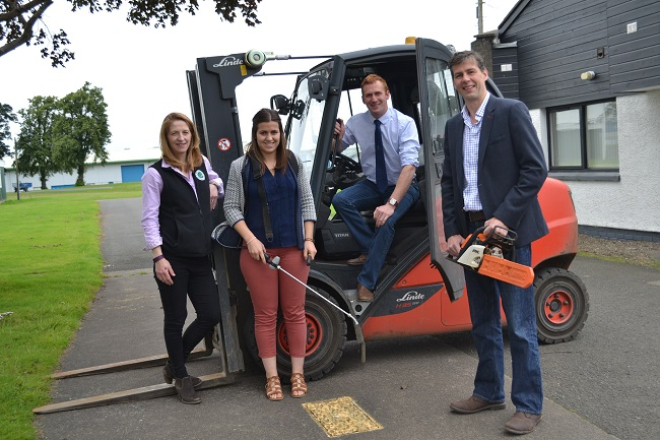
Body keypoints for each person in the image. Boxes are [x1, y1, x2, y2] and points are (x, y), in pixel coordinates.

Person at [441, 51, 548, 435]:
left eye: (471, 72)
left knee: (519, 325)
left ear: (484, 74)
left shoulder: (510, 111)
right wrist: (452, 231)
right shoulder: (454, 127)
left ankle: (529, 405)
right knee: (482, 321)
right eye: (458, 75)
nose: (465, 79)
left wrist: (502, 216)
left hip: (507, 235)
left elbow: (536, 169)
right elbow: (451, 183)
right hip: (471, 236)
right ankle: (488, 391)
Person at [223, 108, 317, 401]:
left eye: (274, 132)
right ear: (255, 134)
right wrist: (249, 239)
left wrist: (309, 239)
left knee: (295, 313)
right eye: (263, 132)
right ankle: (272, 378)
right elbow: (231, 208)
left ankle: (298, 374)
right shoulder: (241, 166)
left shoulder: (294, 162)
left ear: (281, 133)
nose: (269, 137)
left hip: (294, 250)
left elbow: (307, 202)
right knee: (265, 315)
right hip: (258, 254)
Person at [141, 112, 223, 405]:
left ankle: (174, 365)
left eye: (185, 133)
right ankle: (181, 376)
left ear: (192, 136)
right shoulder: (155, 174)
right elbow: (149, 219)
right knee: (175, 319)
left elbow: (216, 181)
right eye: (175, 133)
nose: (181, 138)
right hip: (172, 259)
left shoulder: (201, 165)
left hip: (201, 257)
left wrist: (215, 185)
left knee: (211, 314)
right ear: (167, 138)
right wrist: (158, 257)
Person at [333, 74, 420, 302]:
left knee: (386, 221)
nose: (373, 99)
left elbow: (409, 168)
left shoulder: (404, 124)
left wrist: (390, 205)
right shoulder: (357, 122)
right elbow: (339, 147)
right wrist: (337, 139)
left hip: (402, 185)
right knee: (341, 200)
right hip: (373, 184)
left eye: (377, 93)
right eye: (368, 95)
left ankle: (366, 282)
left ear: (387, 94)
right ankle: (370, 249)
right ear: (363, 99)